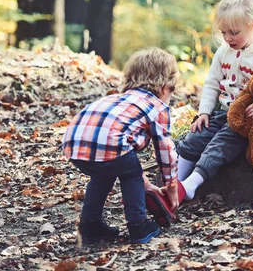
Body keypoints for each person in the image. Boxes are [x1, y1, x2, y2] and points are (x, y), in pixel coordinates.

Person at [177, 0, 253, 199]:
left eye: (234, 33)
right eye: (224, 32)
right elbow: (212, 83)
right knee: (194, 138)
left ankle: (190, 185)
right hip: (223, 113)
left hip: (245, 121)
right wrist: (204, 113)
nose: (228, 38)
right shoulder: (223, 52)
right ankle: (176, 181)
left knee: (218, 147)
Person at [62, 47, 180, 245]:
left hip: (74, 143)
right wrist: (171, 185)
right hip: (109, 145)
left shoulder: (118, 100)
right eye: (172, 91)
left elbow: (122, 153)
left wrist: (147, 185)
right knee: (130, 175)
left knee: (102, 175)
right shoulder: (157, 106)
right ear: (164, 87)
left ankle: (89, 226)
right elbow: (165, 149)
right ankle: (138, 226)